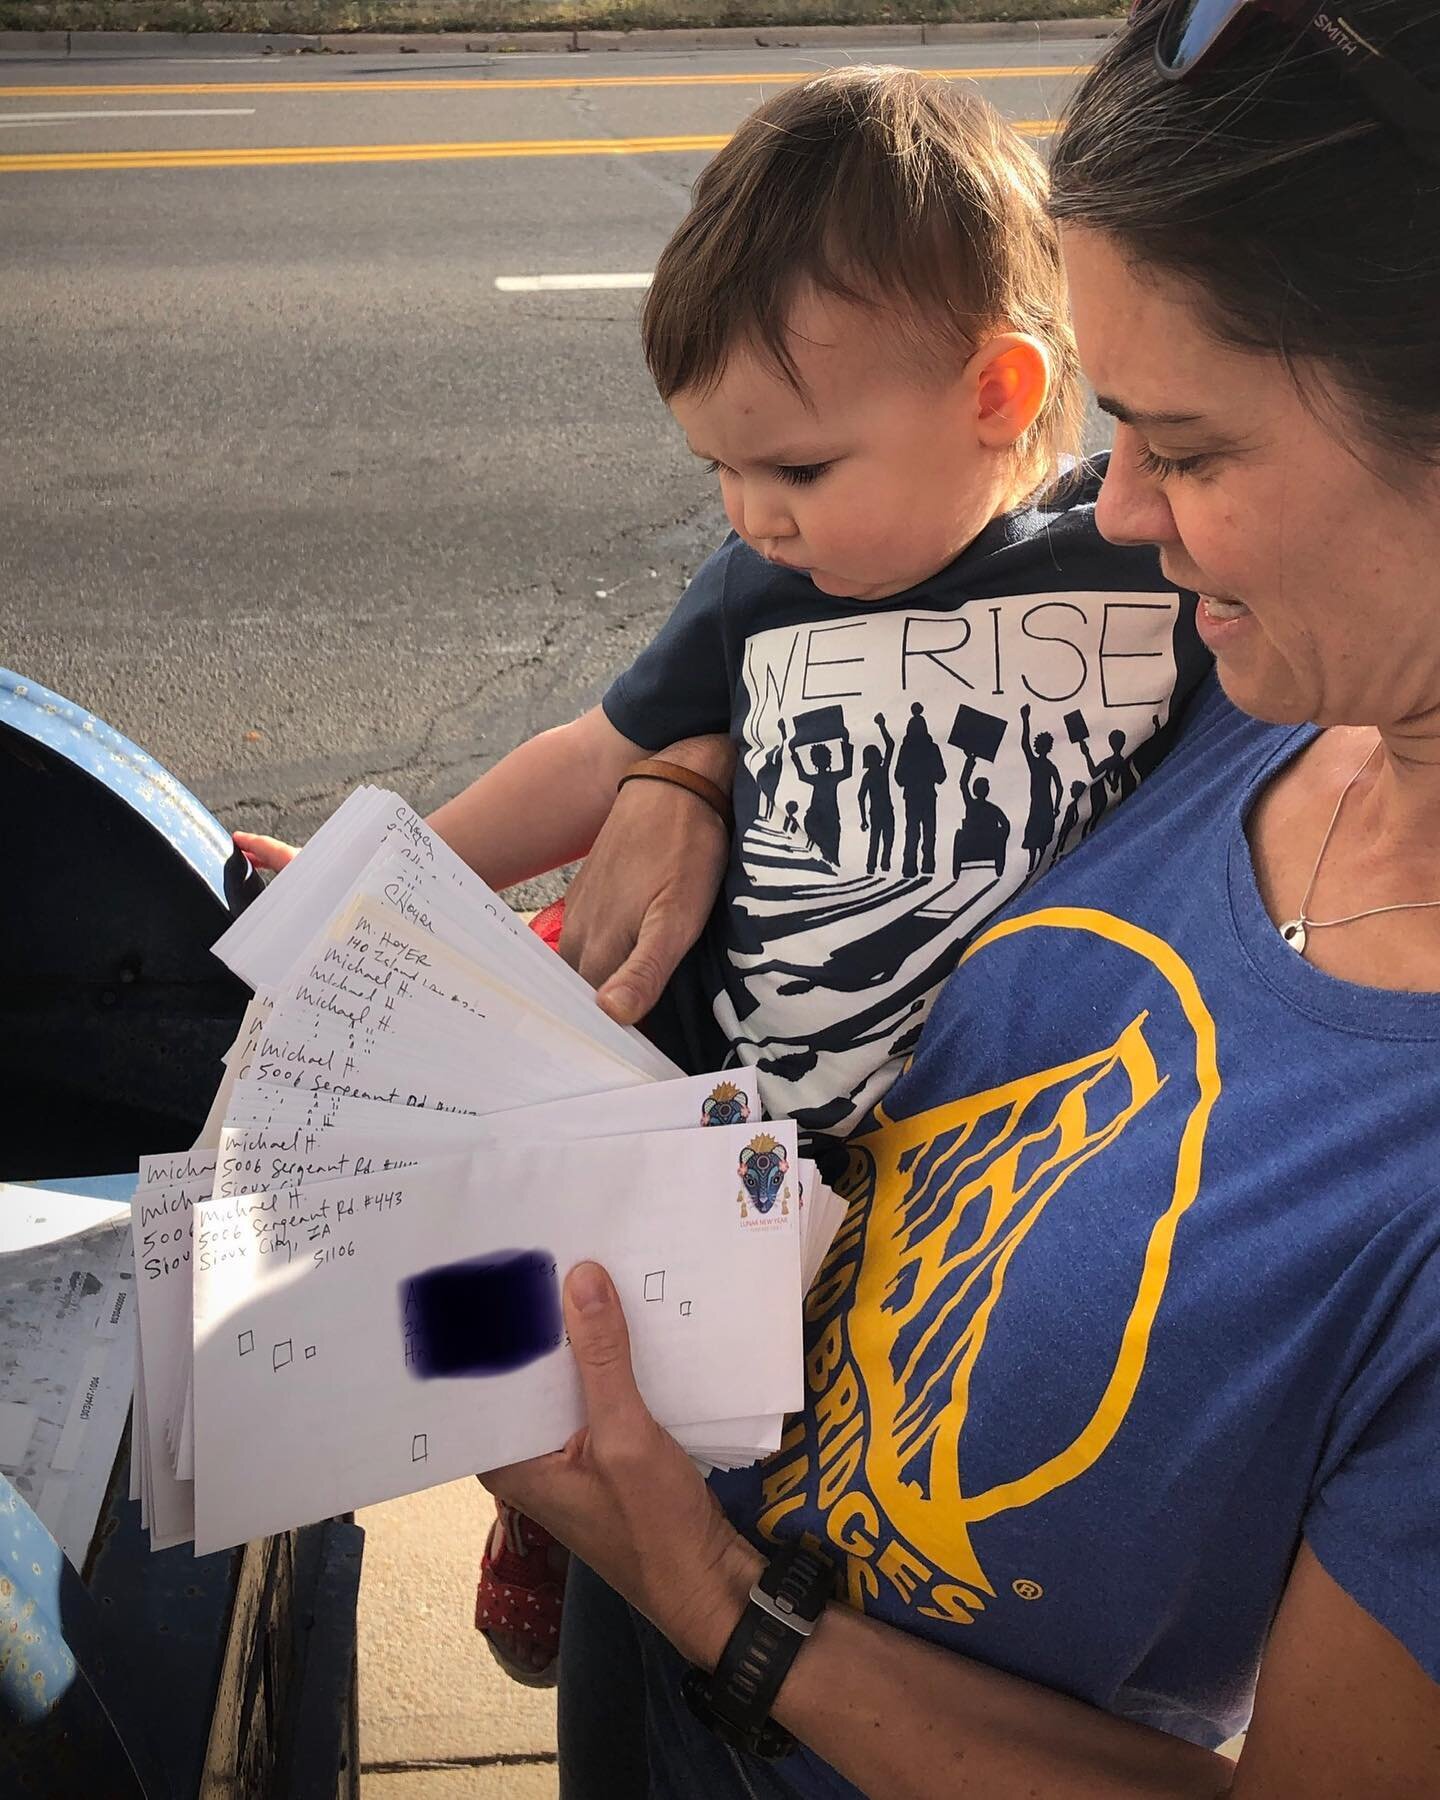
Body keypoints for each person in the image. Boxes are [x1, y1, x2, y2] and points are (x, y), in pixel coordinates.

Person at [479, 3, 1440, 1791]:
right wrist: (683, 764)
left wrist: (711, 1597)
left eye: (1196, 448)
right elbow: (850, 649)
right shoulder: (1261, 685)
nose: (1119, 505)